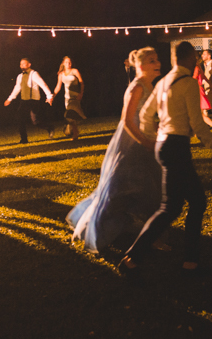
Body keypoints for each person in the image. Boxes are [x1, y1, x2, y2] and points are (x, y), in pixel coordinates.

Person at [118, 41, 212, 276]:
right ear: (190, 58)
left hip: (164, 145)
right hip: (177, 147)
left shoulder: (164, 81)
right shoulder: (187, 83)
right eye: (195, 58)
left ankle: (134, 257)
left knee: (173, 206)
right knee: (191, 203)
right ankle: (189, 259)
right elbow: (197, 122)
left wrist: (154, 137)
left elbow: (146, 113)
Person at [67, 47, 162, 253]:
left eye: (157, 60)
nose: (157, 64)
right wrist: (144, 142)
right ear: (140, 65)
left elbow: (147, 116)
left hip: (145, 139)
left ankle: (148, 234)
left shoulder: (149, 85)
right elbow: (127, 120)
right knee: (128, 189)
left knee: (150, 188)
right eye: (152, 60)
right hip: (132, 142)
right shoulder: (137, 87)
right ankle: (113, 232)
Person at [4, 58, 54, 144]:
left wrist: (49, 96)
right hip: (24, 101)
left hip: (33, 100)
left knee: (35, 121)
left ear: (29, 64)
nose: (22, 66)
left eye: (24, 64)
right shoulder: (20, 76)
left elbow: (43, 84)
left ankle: (49, 127)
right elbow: (17, 88)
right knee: (20, 118)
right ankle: (24, 139)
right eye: (21, 64)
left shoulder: (34, 74)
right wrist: (10, 99)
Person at [54, 57, 86, 141]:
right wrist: (52, 96)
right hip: (67, 98)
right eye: (67, 62)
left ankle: (74, 134)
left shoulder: (75, 71)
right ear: (63, 63)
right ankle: (74, 132)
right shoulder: (61, 74)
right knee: (72, 117)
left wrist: (81, 94)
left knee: (70, 115)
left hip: (75, 97)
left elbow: (81, 83)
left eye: (70, 62)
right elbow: (58, 87)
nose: (69, 64)